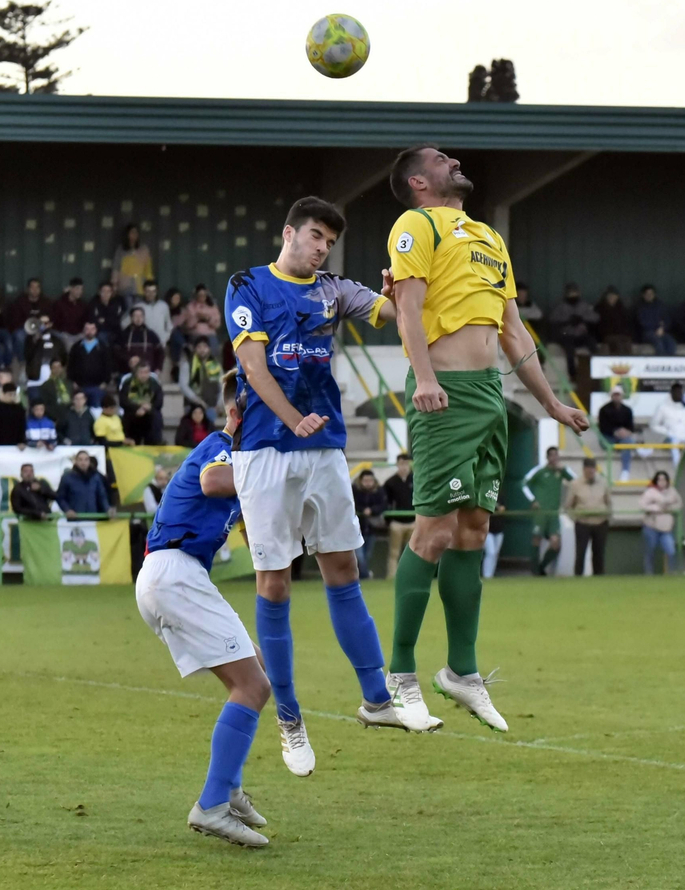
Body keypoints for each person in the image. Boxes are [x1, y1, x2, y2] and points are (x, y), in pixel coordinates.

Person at [226, 197, 437, 771]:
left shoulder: (334, 289)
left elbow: (395, 313)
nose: (321, 249)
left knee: (342, 568)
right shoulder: (247, 286)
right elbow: (252, 368)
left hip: (324, 449)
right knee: (274, 582)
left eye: (329, 242)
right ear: (289, 232)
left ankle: (375, 698)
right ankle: (289, 718)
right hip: (268, 450)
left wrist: (401, 291)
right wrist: (292, 419)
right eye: (315, 237)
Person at [384, 147, 588, 734]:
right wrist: (424, 378)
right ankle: (399, 678)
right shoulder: (415, 224)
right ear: (419, 182)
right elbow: (408, 307)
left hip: (488, 398)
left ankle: (462, 673)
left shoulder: (490, 238)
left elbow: (513, 329)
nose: (455, 161)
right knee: (435, 530)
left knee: (475, 527)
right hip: (441, 392)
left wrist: (549, 402)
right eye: (441, 159)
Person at [136, 383, 272, 847]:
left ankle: (228, 788)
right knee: (253, 685)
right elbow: (213, 482)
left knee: (255, 669)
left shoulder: (240, 456)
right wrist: (276, 473)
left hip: (176, 573)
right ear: (235, 414)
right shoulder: (219, 447)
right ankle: (212, 803)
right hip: (174, 573)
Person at [522, 448, 573, 577]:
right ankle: (534, 571)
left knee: (556, 543)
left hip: (554, 512)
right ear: (547, 457)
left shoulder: (560, 472)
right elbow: (524, 484)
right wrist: (533, 499)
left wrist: (564, 469)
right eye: (552, 456)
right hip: (540, 512)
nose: (554, 458)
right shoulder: (539, 470)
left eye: (556, 456)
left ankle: (541, 567)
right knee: (536, 539)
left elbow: (576, 480)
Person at [564, 457, 610, 577]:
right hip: (582, 523)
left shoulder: (603, 483)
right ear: (584, 470)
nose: (591, 472)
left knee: (599, 553)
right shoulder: (575, 484)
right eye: (588, 470)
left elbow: (608, 502)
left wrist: (607, 517)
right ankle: (578, 577)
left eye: (593, 469)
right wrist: (575, 518)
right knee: (580, 552)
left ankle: (599, 577)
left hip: (600, 522)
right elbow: (568, 505)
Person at [548, 283, 598, 378]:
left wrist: (582, 318)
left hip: (581, 335)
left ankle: (596, 370)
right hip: (567, 335)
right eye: (571, 293)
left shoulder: (584, 305)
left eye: (575, 293)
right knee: (569, 350)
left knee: (593, 344)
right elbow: (552, 318)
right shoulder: (561, 307)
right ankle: (573, 374)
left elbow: (595, 317)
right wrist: (567, 321)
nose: (573, 295)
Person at [639, 471, 681, 575]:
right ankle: (649, 574)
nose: (662, 482)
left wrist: (669, 508)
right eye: (659, 479)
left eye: (664, 479)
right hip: (651, 527)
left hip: (666, 528)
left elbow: (679, 504)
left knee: (671, 551)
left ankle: (671, 573)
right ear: (656, 481)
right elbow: (642, 505)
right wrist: (656, 508)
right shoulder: (650, 492)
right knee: (650, 552)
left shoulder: (672, 492)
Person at [383, 454, 415, 580]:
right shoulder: (390, 482)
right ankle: (392, 577)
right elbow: (386, 503)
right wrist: (389, 521)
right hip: (396, 522)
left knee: (412, 552)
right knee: (394, 552)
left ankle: (411, 577)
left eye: (407, 464)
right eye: (402, 464)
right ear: (397, 464)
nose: (404, 467)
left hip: (413, 521)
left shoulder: (416, 479)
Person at [67, 322, 114, 408]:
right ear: (83, 331)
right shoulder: (77, 347)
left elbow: (108, 365)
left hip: (97, 387)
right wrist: (73, 381)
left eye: (92, 329)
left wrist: (105, 382)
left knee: (96, 412)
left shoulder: (103, 347)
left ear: (96, 330)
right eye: (87, 329)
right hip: (80, 387)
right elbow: (70, 364)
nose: (89, 331)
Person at [352, 470, 388, 581]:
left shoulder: (379, 491)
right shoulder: (354, 491)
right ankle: (365, 576)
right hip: (357, 529)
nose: (368, 483)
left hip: (372, 529)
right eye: (365, 480)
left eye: (370, 480)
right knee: (360, 557)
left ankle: (362, 577)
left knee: (367, 555)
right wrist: (363, 510)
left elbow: (384, 505)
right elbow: (351, 504)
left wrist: (372, 510)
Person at [178, 335, 223, 422]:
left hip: (211, 406)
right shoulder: (188, 365)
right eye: (199, 347)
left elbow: (223, 386)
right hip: (192, 406)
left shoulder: (216, 365)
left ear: (209, 348)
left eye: (205, 347)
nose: (202, 350)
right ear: (195, 349)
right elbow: (183, 386)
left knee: (210, 421)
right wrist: (197, 400)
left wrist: (219, 404)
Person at [650, 382, 685, 465]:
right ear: (671, 393)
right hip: (670, 438)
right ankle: (678, 468)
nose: (678, 394)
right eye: (676, 392)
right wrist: (667, 432)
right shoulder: (663, 407)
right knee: (674, 442)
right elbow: (653, 425)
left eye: (680, 392)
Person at [57, 450, 112, 518]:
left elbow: (102, 495)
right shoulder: (67, 477)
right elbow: (60, 497)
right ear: (76, 461)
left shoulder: (95, 477)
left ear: (89, 461)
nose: (83, 463)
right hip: (75, 519)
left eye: (86, 460)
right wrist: (67, 510)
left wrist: (107, 508)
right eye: (80, 460)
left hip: (93, 519)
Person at [596, 386, 637, 480]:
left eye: (618, 395)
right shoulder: (604, 409)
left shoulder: (627, 410)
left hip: (623, 438)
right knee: (628, 442)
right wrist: (615, 432)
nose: (616, 397)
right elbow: (602, 427)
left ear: (622, 396)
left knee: (627, 441)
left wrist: (626, 432)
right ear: (611, 396)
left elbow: (631, 427)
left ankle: (625, 471)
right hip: (608, 438)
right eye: (615, 395)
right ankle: (636, 448)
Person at [121, 360, 164, 445]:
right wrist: (137, 408)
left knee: (156, 416)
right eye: (141, 372)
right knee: (128, 417)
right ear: (136, 373)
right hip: (133, 413)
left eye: (146, 372)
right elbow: (123, 401)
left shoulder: (154, 384)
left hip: (149, 413)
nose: (144, 375)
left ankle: (155, 444)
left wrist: (147, 408)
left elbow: (159, 402)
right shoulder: (128, 383)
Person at [112, 224, 155, 302]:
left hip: (140, 287)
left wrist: (150, 284)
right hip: (125, 287)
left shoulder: (144, 249)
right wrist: (114, 285)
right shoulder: (121, 250)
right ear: (127, 234)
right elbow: (116, 268)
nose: (134, 235)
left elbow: (148, 269)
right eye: (132, 232)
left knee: (139, 310)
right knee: (129, 311)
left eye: (136, 233)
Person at [119, 306, 165, 373]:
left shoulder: (151, 334)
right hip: (128, 372)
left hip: (148, 372)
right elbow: (117, 352)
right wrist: (129, 359)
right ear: (131, 318)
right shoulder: (124, 335)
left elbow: (160, 352)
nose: (138, 318)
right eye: (136, 316)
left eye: (141, 316)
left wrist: (158, 368)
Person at [633, 284, 675, 356]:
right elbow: (642, 323)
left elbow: (667, 320)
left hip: (661, 332)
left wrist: (662, 328)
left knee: (671, 341)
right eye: (647, 294)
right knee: (658, 342)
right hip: (646, 333)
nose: (649, 295)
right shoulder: (639, 307)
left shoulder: (660, 305)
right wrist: (657, 328)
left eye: (651, 293)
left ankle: (669, 362)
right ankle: (660, 363)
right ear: (643, 295)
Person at [182, 284, 223, 350]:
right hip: (196, 334)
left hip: (210, 334)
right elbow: (187, 325)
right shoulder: (190, 307)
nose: (202, 297)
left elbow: (217, 324)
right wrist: (197, 318)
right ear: (196, 295)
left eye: (204, 295)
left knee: (214, 347)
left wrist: (208, 319)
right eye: (199, 295)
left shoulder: (212, 307)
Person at [593, 286, 632, 356]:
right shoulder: (600, 308)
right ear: (606, 297)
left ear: (617, 297)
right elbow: (598, 325)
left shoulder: (621, 308)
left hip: (620, 334)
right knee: (617, 342)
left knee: (627, 341)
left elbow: (626, 323)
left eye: (614, 296)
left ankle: (628, 362)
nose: (612, 298)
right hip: (606, 334)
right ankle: (617, 363)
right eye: (610, 296)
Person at [51, 279, 89, 347]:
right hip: (65, 334)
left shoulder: (82, 304)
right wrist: (63, 332)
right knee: (70, 348)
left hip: (79, 334)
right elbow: (55, 322)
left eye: (81, 289)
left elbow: (85, 320)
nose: (79, 292)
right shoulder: (60, 303)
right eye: (77, 289)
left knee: (89, 345)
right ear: (71, 289)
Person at [481, 504, 507, 579]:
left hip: (499, 529)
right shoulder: (484, 496)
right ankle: (487, 576)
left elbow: (504, 508)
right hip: (488, 530)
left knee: (495, 554)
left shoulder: (501, 495)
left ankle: (490, 575)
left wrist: (502, 508)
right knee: (491, 552)